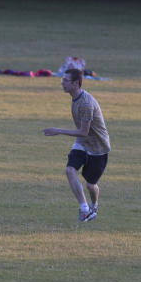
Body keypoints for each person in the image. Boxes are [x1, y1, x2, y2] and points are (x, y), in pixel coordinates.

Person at [42, 67, 111, 222]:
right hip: (82, 143)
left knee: (90, 185)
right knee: (69, 169)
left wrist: (57, 130)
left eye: (65, 81)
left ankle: (94, 205)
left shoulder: (86, 103)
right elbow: (82, 135)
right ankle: (84, 209)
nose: (62, 83)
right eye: (63, 80)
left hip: (97, 147)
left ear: (75, 83)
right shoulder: (75, 98)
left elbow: (83, 132)